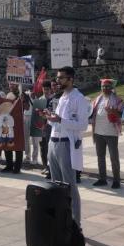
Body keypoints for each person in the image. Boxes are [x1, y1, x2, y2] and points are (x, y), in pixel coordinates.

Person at [45, 66, 88, 228]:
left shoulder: (79, 98)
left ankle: (75, 222)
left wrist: (60, 120)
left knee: (69, 185)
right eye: (57, 78)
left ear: (71, 79)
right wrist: (49, 117)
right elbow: (57, 122)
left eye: (61, 78)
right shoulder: (61, 97)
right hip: (53, 141)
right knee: (55, 184)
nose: (58, 81)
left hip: (66, 144)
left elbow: (83, 125)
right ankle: (60, 218)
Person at [90, 79, 124, 188]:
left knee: (114, 157)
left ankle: (116, 180)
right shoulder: (96, 100)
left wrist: (112, 111)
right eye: (103, 86)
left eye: (107, 86)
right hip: (98, 132)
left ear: (112, 88)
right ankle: (102, 178)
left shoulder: (118, 100)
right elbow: (91, 113)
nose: (105, 88)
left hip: (111, 132)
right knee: (100, 156)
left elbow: (121, 114)